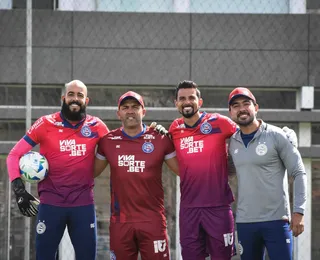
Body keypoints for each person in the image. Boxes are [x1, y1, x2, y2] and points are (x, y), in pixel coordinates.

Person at [6, 80, 109, 260]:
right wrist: (19, 190)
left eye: (80, 95)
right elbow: (14, 155)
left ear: (87, 100)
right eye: (71, 94)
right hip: (51, 205)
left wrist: (150, 134)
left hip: (83, 205)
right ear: (63, 98)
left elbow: (116, 150)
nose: (75, 99)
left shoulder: (97, 126)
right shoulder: (45, 123)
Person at [94, 91, 179, 260]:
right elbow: (91, 172)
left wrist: (174, 138)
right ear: (119, 114)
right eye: (125, 108)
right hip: (121, 222)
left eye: (135, 107)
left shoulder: (160, 139)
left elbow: (182, 171)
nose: (130, 111)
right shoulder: (108, 141)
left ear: (144, 111)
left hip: (152, 220)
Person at [227, 87, 307, 260]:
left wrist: (299, 212)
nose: (241, 108)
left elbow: (299, 172)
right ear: (231, 112)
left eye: (246, 103)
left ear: (256, 108)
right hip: (245, 222)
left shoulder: (278, 136)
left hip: (277, 221)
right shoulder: (232, 143)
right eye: (236, 105)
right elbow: (228, 173)